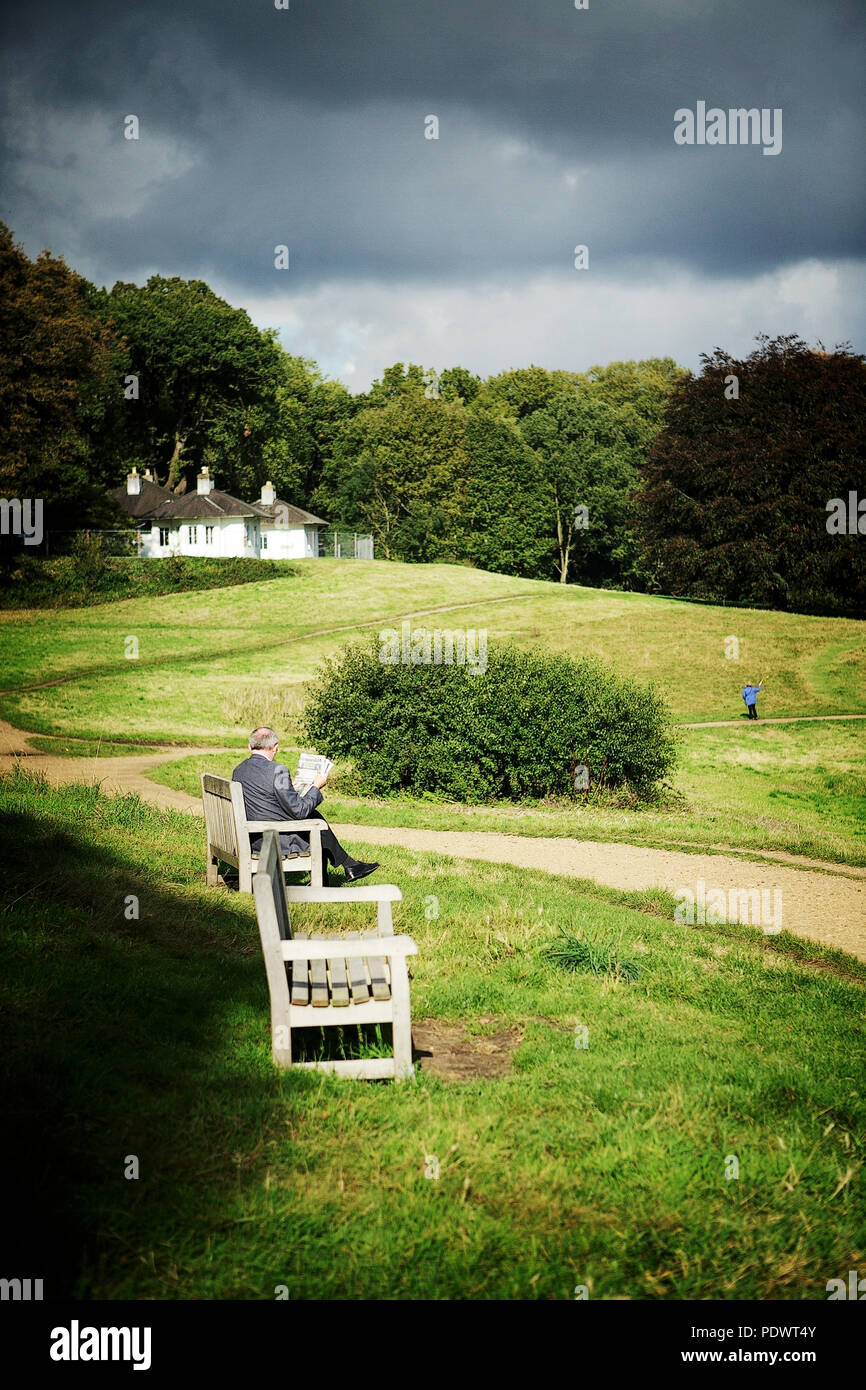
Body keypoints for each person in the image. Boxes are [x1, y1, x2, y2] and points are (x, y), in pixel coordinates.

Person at [232, 726, 379, 882]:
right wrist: (316, 787)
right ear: (275, 748)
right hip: (274, 840)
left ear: (249, 747)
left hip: (252, 836)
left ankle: (346, 866)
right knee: (314, 821)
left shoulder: (239, 770)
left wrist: (290, 789)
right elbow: (300, 811)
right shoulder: (277, 770)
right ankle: (341, 869)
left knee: (314, 817)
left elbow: (263, 798)